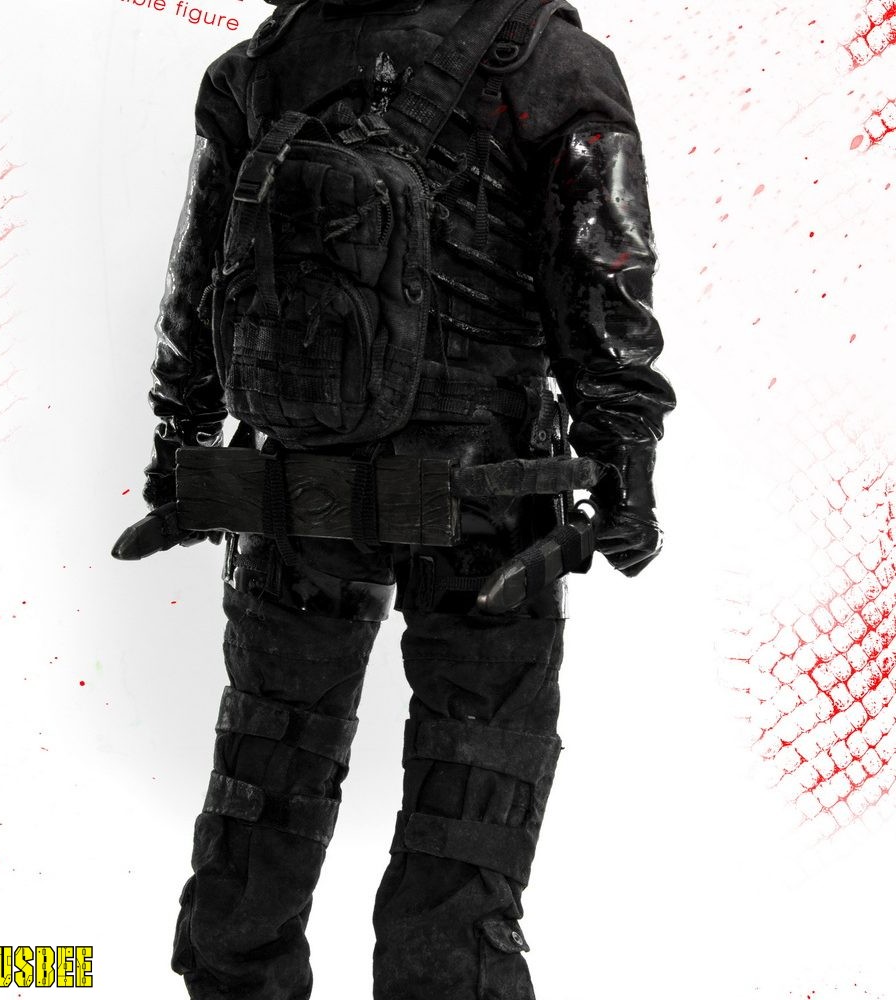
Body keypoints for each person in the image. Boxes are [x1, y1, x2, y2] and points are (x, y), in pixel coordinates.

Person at [126, 0, 675, 996]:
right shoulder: (554, 64)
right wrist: (624, 464)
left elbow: (200, 278)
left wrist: (180, 441)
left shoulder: (265, 61)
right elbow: (605, 281)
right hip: (484, 498)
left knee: (265, 772)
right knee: (470, 803)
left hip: (298, 488)